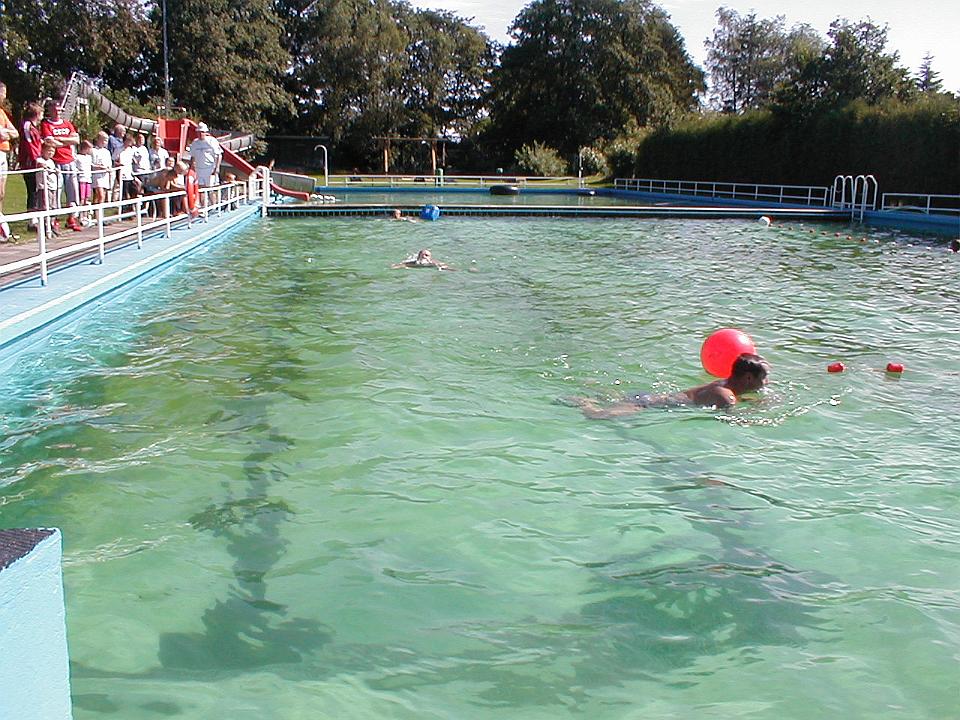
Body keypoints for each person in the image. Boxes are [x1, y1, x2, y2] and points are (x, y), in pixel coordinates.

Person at [570, 353, 771, 418]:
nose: (766, 382)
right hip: (648, 406)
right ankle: (583, 402)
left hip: (650, 398)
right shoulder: (726, 396)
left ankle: (594, 388)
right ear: (748, 378)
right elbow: (733, 420)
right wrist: (762, 410)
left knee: (614, 400)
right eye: (764, 378)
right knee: (597, 416)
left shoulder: (724, 385)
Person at [39, 97, 82, 231]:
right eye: (55, 109)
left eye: (59, 109)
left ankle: (72, 218)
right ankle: (54, 219)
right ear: (50, 110)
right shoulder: (46, 124)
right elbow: (50, 142)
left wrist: (59, 139)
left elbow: (76, 140)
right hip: (55, 161)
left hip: (69, 160)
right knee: (56, 191)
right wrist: (66, 140)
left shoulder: (67, 124)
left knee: (72, 191)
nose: (58, 112)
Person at [187, 122, 222, 199]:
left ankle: (214, 204)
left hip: (210, 169)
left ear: (206, 132)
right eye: (199, 132)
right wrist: (191, 168)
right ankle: (203, 205)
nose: (200, 134)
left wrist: (217, 168)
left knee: (211, 189)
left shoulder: (212, 141)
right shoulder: (195, 143)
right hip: (199, 169)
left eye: (202, 132)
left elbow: (219, 155)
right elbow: (192, 157)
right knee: (201, 189)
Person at [0, 82, 20, 215]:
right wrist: (5, 133)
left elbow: (15, 133)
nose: (4, 96)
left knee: (1, 192)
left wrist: (5, 132)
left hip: (4, 152)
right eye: (3, 93)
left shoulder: (2, 112)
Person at [36, 139, 61, 236]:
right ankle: (45, 227)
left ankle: (52, 224)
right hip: (44, 188)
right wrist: (44, 167)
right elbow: (40, 165)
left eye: (53, 151)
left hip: (53, 187)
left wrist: (55, 170)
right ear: (43, 151)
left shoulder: (51, 161)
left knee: (53, 207)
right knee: (45, 207)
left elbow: (53, 169)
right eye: (49, 151)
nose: (51, 153)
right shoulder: (40, 160)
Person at [90, 131, 113, 207]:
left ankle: (96, 211)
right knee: (100, 195)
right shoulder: (93, 150)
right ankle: (99, 211)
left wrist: (108, 168)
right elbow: (91, 163)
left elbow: (109, 164)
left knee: (98, 196)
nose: (105, 142)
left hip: (105, 175)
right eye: (104, 140)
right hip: (97, 175)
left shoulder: (107, 152)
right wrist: (98, 166)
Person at [75, 139, 93, 224]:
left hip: (88, 179)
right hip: (81, 179)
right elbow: (75, 166)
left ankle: (86, 215)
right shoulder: (77, 157)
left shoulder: (89, 157)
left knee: (87, 198)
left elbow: (91, 165)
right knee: (81, 199)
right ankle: (81, 216)